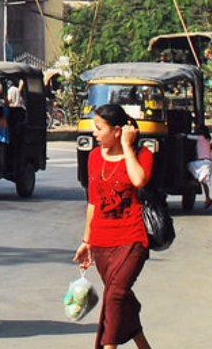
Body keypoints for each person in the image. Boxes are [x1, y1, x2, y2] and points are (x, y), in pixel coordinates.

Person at [73, 103, 154, 349]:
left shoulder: (142, 154)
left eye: (99, 128)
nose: (94, 133)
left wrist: (128, 147)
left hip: (132, 237)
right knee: (118, 296)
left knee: (116, 293)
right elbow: (93, 203)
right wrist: (86, 241)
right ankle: (143, 344)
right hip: (101, 241)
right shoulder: (95, 157)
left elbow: (139, 179)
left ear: (117, 130)